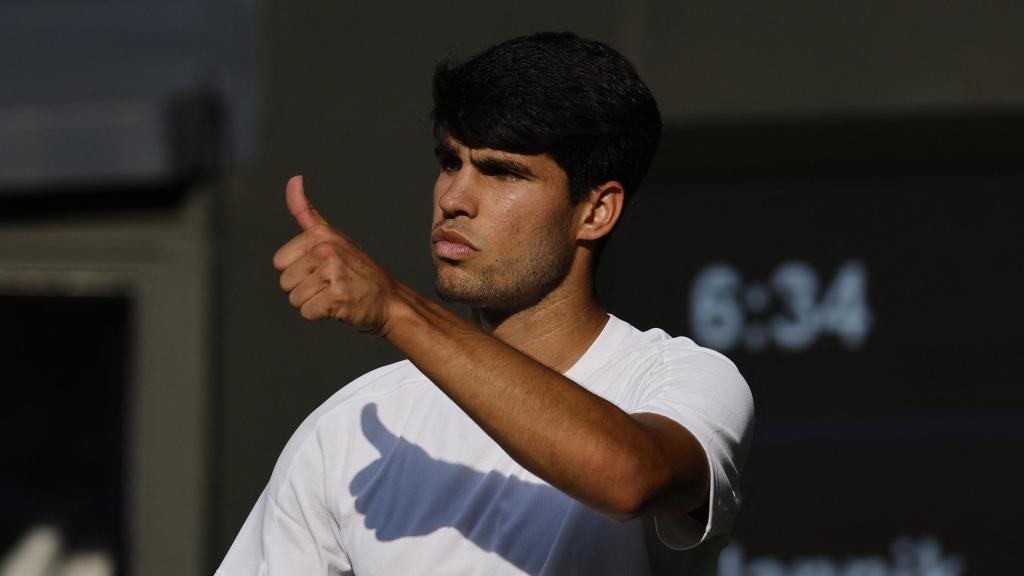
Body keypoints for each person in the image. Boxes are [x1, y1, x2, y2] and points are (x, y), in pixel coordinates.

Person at [216, 31, 753, 575]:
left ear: (596, 212)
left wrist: (395, 308)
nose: (453, 199)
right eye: (451, 162)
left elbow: (630, 478)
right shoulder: (351, 426)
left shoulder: (681, 380)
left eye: (502, 172)